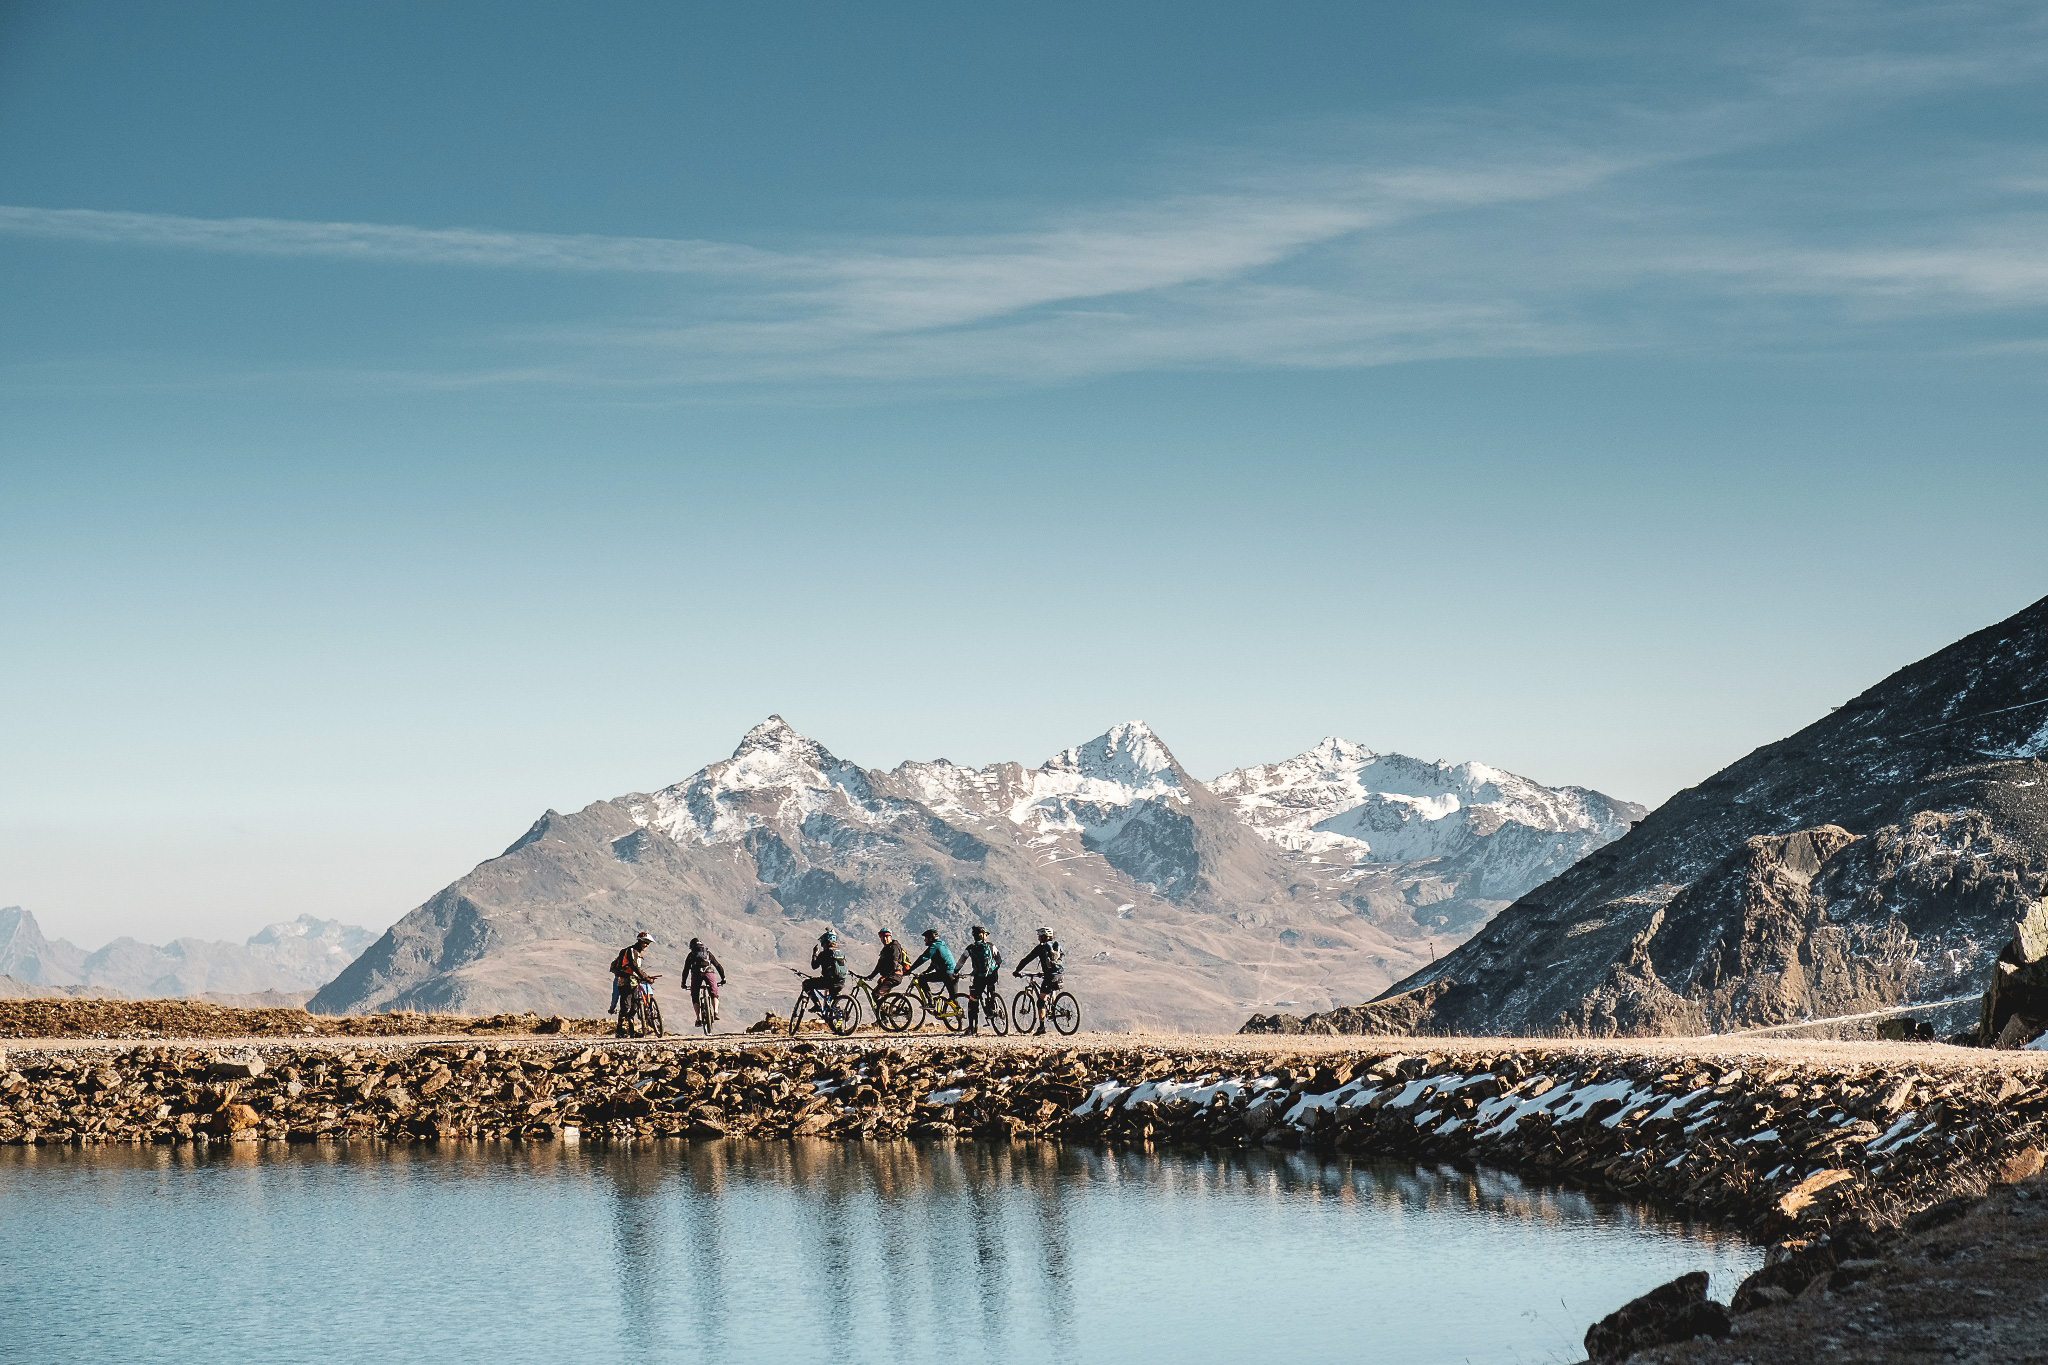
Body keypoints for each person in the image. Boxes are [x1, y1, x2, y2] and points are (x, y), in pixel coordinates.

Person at [1013, 927, 1064, 1035]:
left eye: (1039, 936)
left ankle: (1041, 1027)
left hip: (1049, 976)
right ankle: (1053, 1011)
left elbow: (1027, 959)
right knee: (1052, 990)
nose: (1038, 939)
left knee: (1041, 1001)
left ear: (1043, 936)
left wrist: (1017, 970)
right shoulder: (1057, 945)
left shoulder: (1041, 947)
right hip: (1059, 974)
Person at [610, 931, 658, 1036]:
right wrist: (645, 977)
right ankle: (619, 1030)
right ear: (640, 941)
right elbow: (634, 966)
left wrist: (645, 976)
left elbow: (637, 968)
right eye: (645, 943)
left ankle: (631, 1031)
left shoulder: (638, 953)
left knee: (635, 1006)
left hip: (634, 981)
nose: (646, 946)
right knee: (625, 1006)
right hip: (625, 981)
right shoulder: (632, 951)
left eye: (648, 943)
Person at [961, 925, 1003, 1034]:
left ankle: (972, 1028)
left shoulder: (970, 948)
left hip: (979, 978)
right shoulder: (991, 946)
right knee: (991, 989)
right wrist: (994, 969)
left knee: (973, 1001)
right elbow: (999, 960)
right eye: (986, 935)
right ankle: (993, 1003)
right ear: (982, 935)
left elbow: (962, 960)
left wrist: (956, 971)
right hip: (991, 976)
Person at [681, 936, 726, 1026]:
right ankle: (716, 1012)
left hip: (696, 974)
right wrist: (723, 978)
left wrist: (683, 983)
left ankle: (698, 1018)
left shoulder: (691, 955)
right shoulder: (708, 953)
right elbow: (717, 965)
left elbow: (686, 970)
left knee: (695, 995)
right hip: (709, 973)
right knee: (714, 993)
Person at [906, 928, 958, 1004]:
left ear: (931, 938)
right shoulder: (942, 945)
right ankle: (959, 1014)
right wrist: (926, 971)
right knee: (954, 999)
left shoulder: (934, 946)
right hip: (954, 974)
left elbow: (923, 958)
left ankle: (930, 1002)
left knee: (922, 979)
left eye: (926, 938)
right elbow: (934, 963)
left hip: (945, 974)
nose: (924, 940)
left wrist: (910, 970)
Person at [803, 929, 848, 1007]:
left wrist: (814, 954)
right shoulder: (840, 952)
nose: (822, 946)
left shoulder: (824, 954)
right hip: (841, 982)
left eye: (822, 944)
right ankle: (837, 1012)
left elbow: (814, 966)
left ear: (825, 943)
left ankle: (817, 1005)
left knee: (806, 984)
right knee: (832, 1000)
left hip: (829, 982)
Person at [865, 928, 909, 996]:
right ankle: (882, 1005)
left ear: (890, 937)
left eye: (886, 937)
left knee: (877, 994)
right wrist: (870, 976)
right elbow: (879, 965)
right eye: (882, 937)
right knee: (874, 993)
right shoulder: (885, 949)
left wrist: (886, 977)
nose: (885, 939)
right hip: (889, 977)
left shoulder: (894, 947)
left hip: (894, 976)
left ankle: (885, 1006)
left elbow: (894, 963)